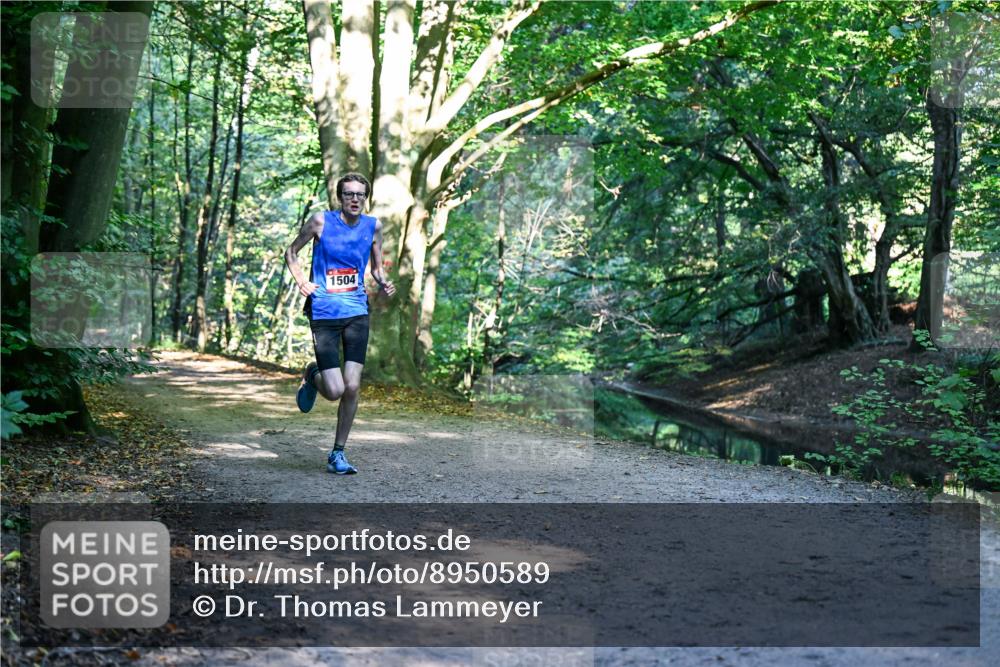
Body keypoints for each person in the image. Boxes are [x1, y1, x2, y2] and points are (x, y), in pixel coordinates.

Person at [284, 173, 395, 475]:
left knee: (353, 386)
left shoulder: (374, 226)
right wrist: (301, 281)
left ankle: (337, 453)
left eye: (360, 194)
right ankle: (312, 374)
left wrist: (384, 282)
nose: (355, 199)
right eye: (349, 194)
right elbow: (291, 252)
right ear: (340, 197)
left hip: (357, 311)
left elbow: (375, 267)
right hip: (324, 313)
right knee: (334, 390)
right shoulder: (321, 222)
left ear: (366, 197)